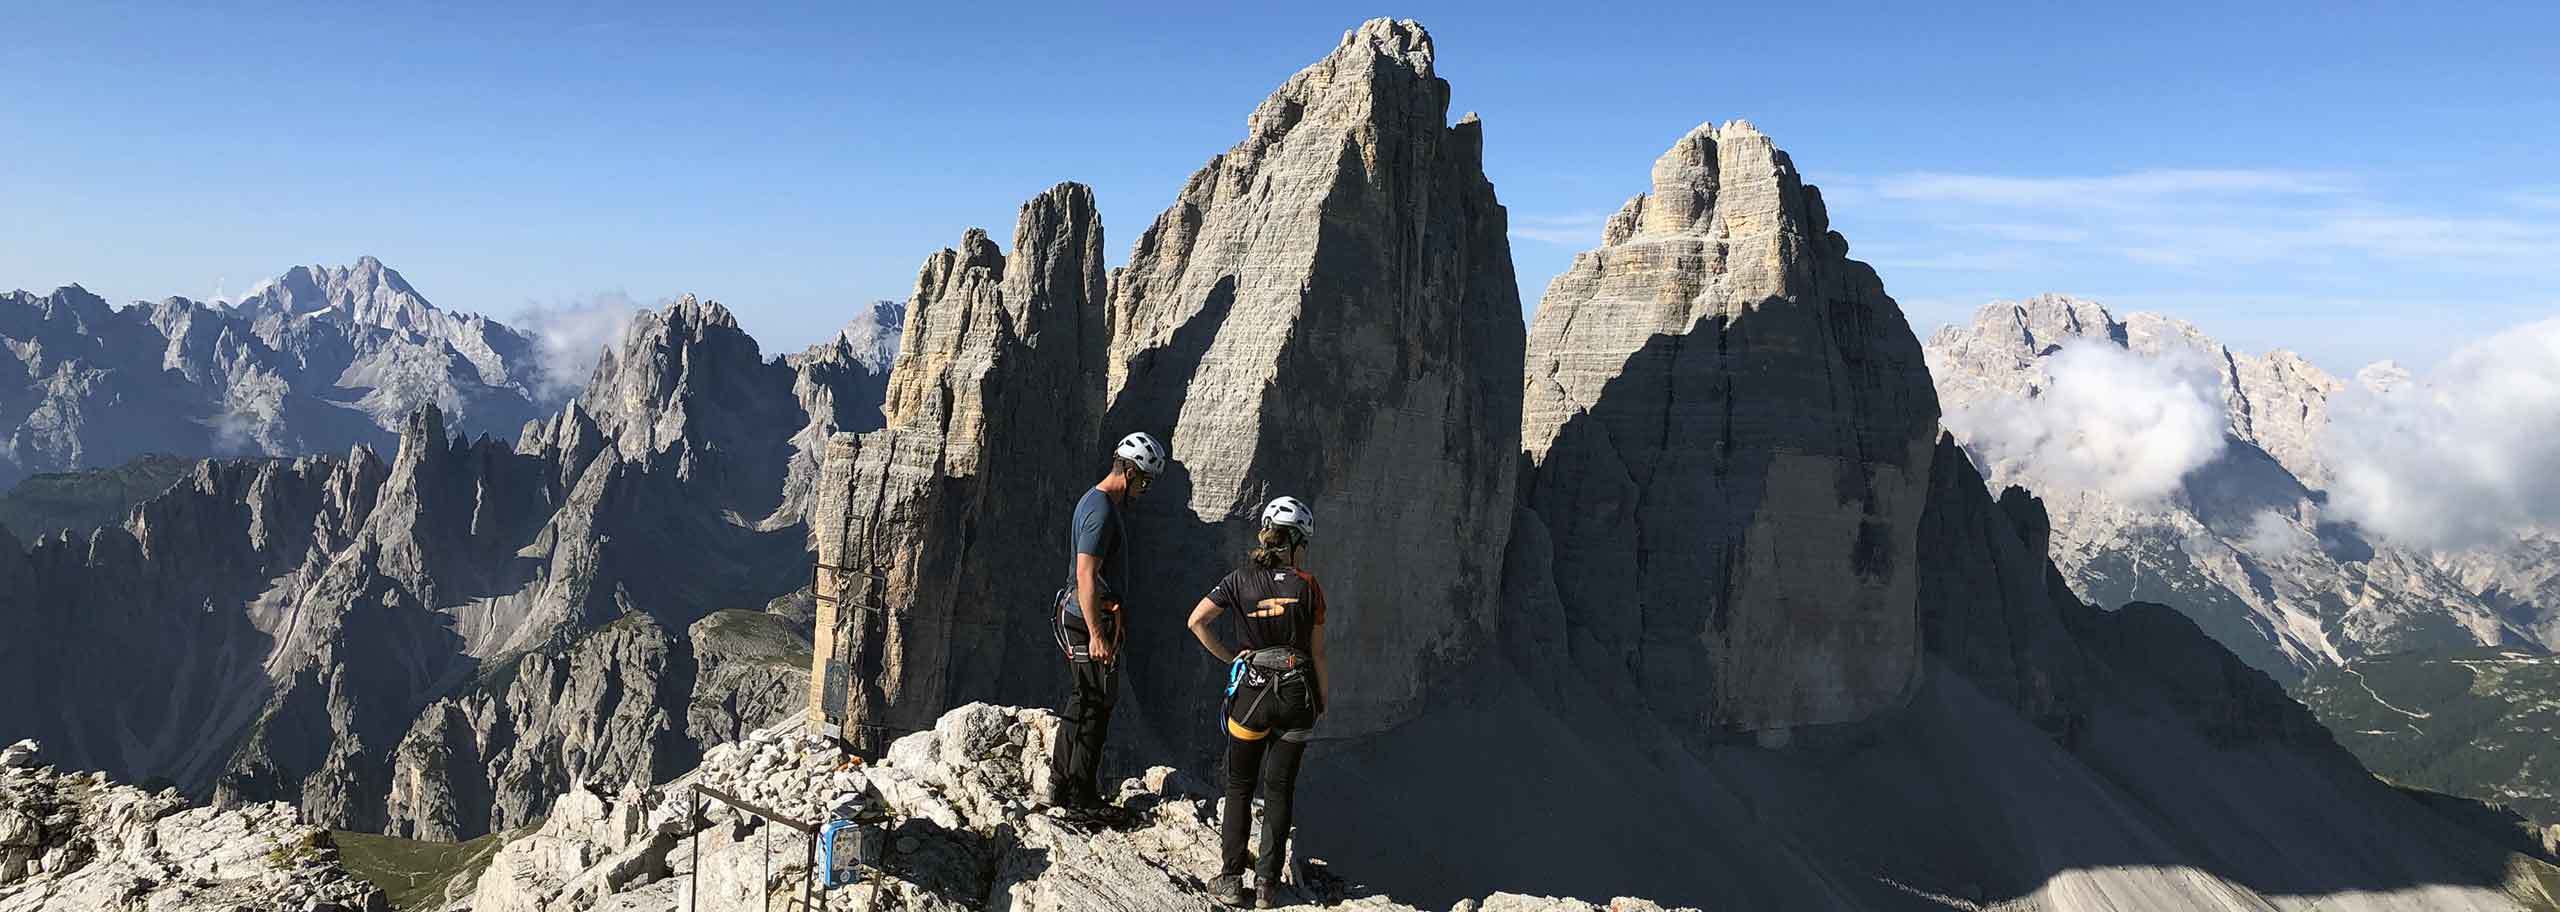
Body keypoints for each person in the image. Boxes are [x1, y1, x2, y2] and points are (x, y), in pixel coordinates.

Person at [1187, 496, 1327, 909]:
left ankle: (1230, 878)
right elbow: (1318, 652)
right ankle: (1267, 885)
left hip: (1251, 692)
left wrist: (1232, 657)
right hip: (1298, 693)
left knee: (1239, 785)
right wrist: (1321, 697)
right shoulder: (1308, 585)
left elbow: (1196, 621)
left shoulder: (1237, 580)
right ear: (1298, 541)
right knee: (1281, 789)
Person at [1046, 431, 1167, 815]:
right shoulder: (1100, 510)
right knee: (1094, 703)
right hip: (1084, 619)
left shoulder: (1097, 502)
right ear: (1129, 473)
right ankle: (1079, 796)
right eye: (1145, 480)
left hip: (1089, 615)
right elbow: (1086, 573)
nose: (1145, 490)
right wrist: (1097, 632)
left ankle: (1061, 786)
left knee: (1085, 699)